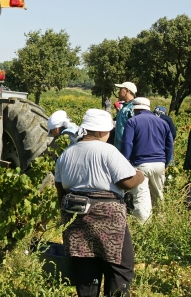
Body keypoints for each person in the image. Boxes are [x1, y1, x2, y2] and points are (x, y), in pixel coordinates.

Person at [55, 109, 145, 297]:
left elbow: (60, 189)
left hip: (76, 217)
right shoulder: (108, 151)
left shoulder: (67, 154)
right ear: (104, 131)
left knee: (85, 266)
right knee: (120, 265)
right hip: (108, 218)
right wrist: (140, 175)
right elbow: (126, 182)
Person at [120, 97, 173, 224]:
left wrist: (126, 161)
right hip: (159, 163)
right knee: (158, 195)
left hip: (141, 164)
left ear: (135, 108)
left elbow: (127, 143)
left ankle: (143, 228)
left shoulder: (133, 121)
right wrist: (165, 162)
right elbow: (169, 144)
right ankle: (161, 224)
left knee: (141, 198)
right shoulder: (162, 122)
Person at [114, 82, 137, 150]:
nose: (118, 92)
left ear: (127, 91)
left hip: (127, 149)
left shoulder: (133, 108)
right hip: (119, 148)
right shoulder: (124, 107)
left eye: (121, 89)